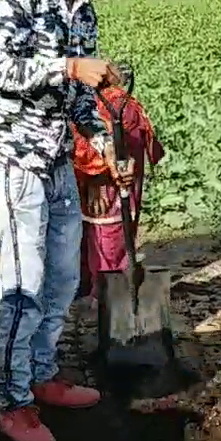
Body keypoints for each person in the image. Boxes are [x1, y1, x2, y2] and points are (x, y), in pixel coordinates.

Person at [0, 0, 144, 441]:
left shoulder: (83, 13)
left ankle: (43, 375)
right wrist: (68, 67)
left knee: (62, 280)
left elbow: (79, 99)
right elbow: (0, 70)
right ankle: (11, 402)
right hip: (18, 160)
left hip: (58, 161)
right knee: (24, 284)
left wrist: (105, 146)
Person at [72, 73, 164, 299]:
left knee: (108, 237)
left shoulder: (117, 106)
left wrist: (98, 177)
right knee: (96, 237)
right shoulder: (101, 103)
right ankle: (94, 288)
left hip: (110, 181)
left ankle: (106, 294)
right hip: (96, 178)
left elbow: (114, 145)